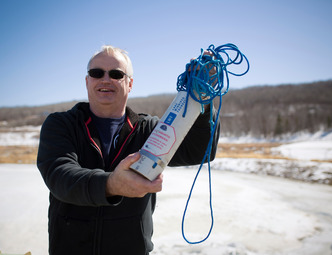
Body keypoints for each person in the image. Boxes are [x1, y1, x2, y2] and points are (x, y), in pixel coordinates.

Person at [37, 45, 220, 255]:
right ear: (87, 81)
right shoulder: (61, 125)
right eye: (96, 73)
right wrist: (111, 184)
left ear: (130, 83)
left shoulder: (150, 130)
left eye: (116, 74)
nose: (106, 79)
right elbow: (60, 176)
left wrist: (201, 99)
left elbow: (198, 149)